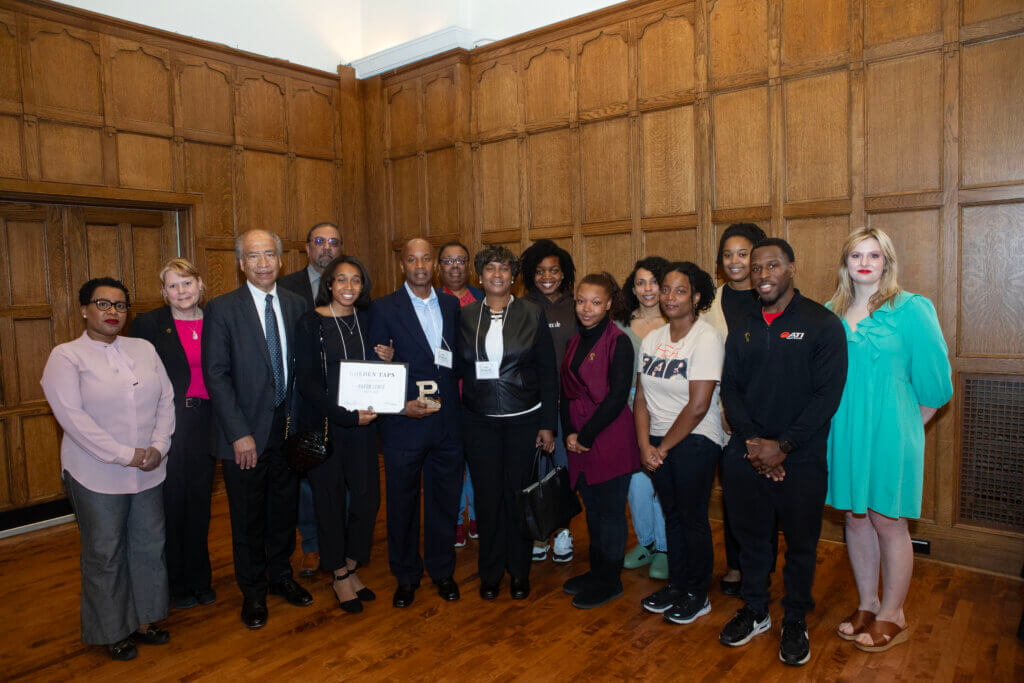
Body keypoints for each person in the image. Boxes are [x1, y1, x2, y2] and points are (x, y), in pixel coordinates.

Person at [717, 238, 848, 667]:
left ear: (792, 268)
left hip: (802, 458)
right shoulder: (744, 324)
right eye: (756, 269)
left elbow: (827, 395)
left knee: (801, 545)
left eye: (771, 266)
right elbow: (731, 388)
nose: (762, 275)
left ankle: (794, 618)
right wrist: (756, 444)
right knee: (752, 539)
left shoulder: (822, 323)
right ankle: (755, 609)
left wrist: (784, 447)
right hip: (748, 454)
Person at [825, 228, 952, 652]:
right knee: (855, 518)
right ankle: (868, 604)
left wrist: (907, 430)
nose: (864, 262)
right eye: (856, 255)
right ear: (845, 264)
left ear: (887, 262)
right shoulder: (829, 312)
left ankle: (893, 613)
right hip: (844, 431)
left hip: (894, 432)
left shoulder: (912, 309)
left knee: (888, 521)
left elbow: (936, 385)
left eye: (874, 255)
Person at [41, 277, 175, 661]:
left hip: (150, 467)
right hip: (95, 473)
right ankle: (113, 629)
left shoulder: (144, 347)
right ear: (84, 309)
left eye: (119, 305)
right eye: (103, 304)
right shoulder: (66, 356)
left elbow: (166, 399)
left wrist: (159, 446)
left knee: (150, 546)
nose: (112, 312)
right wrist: (125, 454)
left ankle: (146, 618)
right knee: (105, 553)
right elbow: (73, 420)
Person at [202, 229, 313, 630]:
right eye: (254, 256)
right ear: (241, 263)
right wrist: (239, 433)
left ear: (281, 261)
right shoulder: (222, 309)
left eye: (269, 255)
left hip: (289, 430)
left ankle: (281, 577)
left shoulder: (298, 303)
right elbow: (216, 375)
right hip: (246, 436)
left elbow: (306, 369)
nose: (263, 263)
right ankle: (252, 593)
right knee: (248, 519)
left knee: (284, 511)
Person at [457, 245, 558, 601]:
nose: (497, 274)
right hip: (479, 422)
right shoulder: (466, 316)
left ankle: (519, 572)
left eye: (504, 269)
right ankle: (490, 573)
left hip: (524, 421)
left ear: (512, 276)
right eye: (489, 269)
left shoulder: (532, 313)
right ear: (480, 277)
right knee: (487, 500)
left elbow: (548, 372)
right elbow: (456, 367)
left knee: (518, 498)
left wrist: (548, 424)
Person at [369, 237, 463, 608]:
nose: (420, 265)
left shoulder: (453, 305)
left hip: (447, 424)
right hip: (403, 423)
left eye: (426, 259)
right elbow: (374, 368)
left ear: (435, 266)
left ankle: (443, 571)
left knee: (444, 502)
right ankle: (406, 576)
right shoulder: (382, 308)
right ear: (402, 266)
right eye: (412, 259)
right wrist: (399, 404)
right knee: (402, 504)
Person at [294, 255, 390, 614]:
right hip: (328, 426)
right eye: (341, 280)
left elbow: (380, 372)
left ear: (362, 286)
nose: (348, 287)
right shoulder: (310, 323)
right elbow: (307, 383)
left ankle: (351, 564)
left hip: (366, 427)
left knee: (368, 499)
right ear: (329, 285)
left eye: (355, 280)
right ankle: (337, 574)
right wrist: (345, 415)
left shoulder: (369, 321)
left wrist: (388, 357)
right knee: (330, 502)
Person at [634, 262, 725, 626]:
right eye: (666, 290)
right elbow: (640, 398)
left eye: (680, 290)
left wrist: (663, 447)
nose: (670, 297)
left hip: (696, 439)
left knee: (692, 517)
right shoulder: (653, 339)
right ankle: (678, 584)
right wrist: (645, 445)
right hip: (656, 442)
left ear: (697, 297)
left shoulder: (705, 337)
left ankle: (697, 593)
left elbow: (699, 405)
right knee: (672, 515)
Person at [128, 258, 216, 610]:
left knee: (200, 504)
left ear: (200, 285)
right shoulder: (149, 324)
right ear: (163, 292)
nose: (182, 291)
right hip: (169, 423)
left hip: (208, 423)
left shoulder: (216, 320)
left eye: (187, 283)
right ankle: (175, 584)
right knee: (172, 504)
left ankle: (200, 579)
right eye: (173, 285)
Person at [559, 273, 639, 609]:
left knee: (610, 513)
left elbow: (617, 397)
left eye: (595, 302)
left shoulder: (618, 341)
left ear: (609, 304)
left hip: (608, 438)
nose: (586, 308)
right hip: (580, 440)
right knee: (592, 510)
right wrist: (569, 434)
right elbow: (565, 392)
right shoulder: (575, 341)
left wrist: (586, 436)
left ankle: (611, 580)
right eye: (581, 300)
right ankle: (597, 572)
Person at [704, 223, 775, 596]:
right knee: (732, 492)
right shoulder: (709, 301)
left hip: (766, 412)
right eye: (728, 254)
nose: (735, 261)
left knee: (764, 495)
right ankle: (735, 566)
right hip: (719, 413)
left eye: (743, 253)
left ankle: (760, 569)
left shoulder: (774, 297)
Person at [278, 222, 342, 577]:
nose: (326, 248)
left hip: (343, 397)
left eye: (334, 242)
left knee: (340, 474)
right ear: (306, 248)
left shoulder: (354, 285)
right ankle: (313, 545)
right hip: (303, 398)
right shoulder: (287, 288)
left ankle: (339, 540)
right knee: (306, 471)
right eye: (319, 241)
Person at [520, 238, 577, 563]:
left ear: (564, 272)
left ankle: (563, 531)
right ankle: (538, 532)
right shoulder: (522, 305)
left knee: (563, 470)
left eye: (554, 270)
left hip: (568, 404)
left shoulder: (574, 305)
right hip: (533, 404)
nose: (547, 276)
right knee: (536, 470)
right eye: (540, 271)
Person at [617, 257, 670, 580]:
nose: (647, 289)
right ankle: (646, 542)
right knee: (636, 483)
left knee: (662, 481)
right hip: (627, 411)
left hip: (667, 411)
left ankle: (666, 547)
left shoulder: (677, 320)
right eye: (640, 282)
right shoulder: (620, 323)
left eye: (654, 282)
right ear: (632, 288)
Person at [437, 240, 484, 549]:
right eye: (448, 261)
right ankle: (454, 520)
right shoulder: (428, 299)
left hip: (479, 396)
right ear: (438, 267)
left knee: (478, 463)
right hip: (444, 397)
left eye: (460, 261)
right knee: (451, 464)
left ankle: (478, 516)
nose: (455, 266)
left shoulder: (483, 298)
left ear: (469, 267)